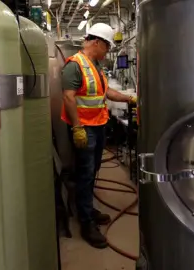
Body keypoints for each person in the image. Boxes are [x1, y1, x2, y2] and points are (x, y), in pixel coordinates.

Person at [60, 23, 137, 249]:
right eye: (107, 47)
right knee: (84, 173)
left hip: (99, 125)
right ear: (96, 43)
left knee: (92, 171)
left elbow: (105, 92)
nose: (107, 52)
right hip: (84, 128)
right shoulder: (75, 65)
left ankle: (88, 208)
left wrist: (129, 99)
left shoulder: (94, 65)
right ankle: (86, 222)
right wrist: (77, 128)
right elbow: (68, 98)